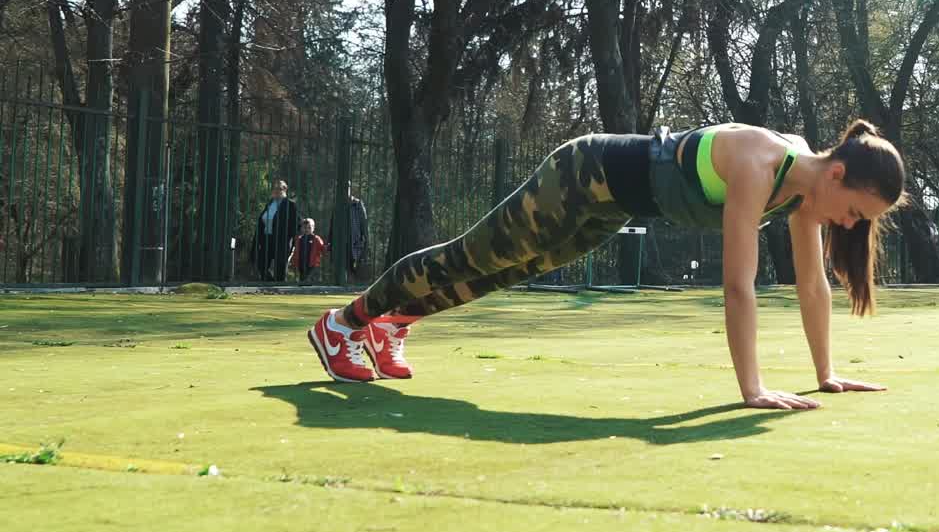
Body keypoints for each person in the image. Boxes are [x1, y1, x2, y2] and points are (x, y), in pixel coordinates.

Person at [307, 120, 905, 410]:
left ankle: (391, 325)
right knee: (476, 254)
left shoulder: (806, 194)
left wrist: (826, 373)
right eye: (855, 211)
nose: (851, 225)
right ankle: (344, 323)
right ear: (837, 174)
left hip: (613, 205)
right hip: (586, 171)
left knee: (510, 269)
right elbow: (737, 288)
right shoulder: (761, 161)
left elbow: (811, 284)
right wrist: (752, 390)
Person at [251, 178, 299, 283]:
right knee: (261, 264)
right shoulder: (270, 204)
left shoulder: (290, 205)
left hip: (282, 240)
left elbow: (295, 224)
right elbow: (262, 221)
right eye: (274, 188)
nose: (276, 191)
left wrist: (291, 240)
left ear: (285, 190)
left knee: (280, 267)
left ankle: (279, 287)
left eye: (279, 188)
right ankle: (270, 282)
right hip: (267, 238)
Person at [329, 182, 370, 277]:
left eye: (345, 187)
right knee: (340, 270)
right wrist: (331, 243)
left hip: (354, 243)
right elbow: (332, 225)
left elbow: (364, 225)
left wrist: (366, 243)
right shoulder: (337, 205)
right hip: (339, 243)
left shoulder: (357, 204)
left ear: (349, 188)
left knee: (353, 270)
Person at [290, 218, 326, 283]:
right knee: (302, 280)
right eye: (304, 227)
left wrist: (326, 248)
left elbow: (322, 248)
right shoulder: (298, 238)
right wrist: (293, 262)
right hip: (301, 264)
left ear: (313, 228)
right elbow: (295, 251)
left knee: (310, 281)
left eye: (309, 227)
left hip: (312, 265)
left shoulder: (316, 238)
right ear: (301, 228)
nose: (307, 229)